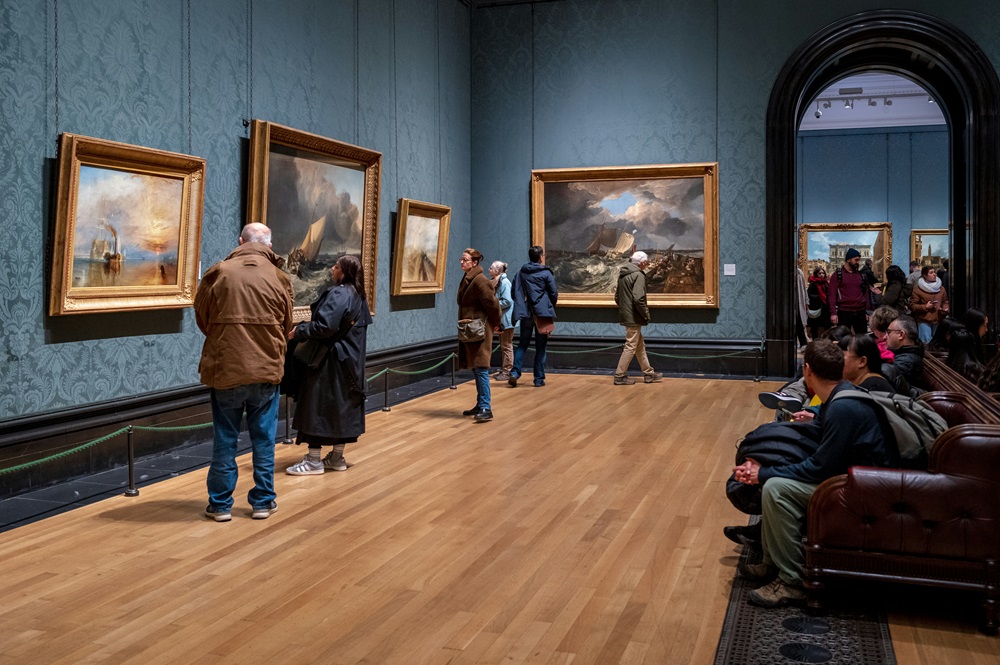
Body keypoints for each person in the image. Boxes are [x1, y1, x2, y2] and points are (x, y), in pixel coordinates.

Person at [733, 339, 898, 607]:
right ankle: (771, 561)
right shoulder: (841, 393)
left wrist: (762, 473)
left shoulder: (843, 407)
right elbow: (828, 437)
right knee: (776, 480)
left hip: (864, 492)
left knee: (776, 489)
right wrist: (814, 417)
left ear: (806, 369)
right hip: (857, 480)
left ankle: (792, 581)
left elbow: (818, 469)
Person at [195, 222, 294, 522]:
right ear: (269, 245)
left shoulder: (219, 272)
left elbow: (203, 318)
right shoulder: (279, 278)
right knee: (264, 440)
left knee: (225, 439)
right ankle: (263, 502)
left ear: (240, 241)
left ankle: (221, 504)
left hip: (226, 369)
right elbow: (288, 323)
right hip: (266, 370)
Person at [285, 255, 373, 476]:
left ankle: (313, 461)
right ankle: (336, 457)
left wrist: (299, 331)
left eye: (335, 267)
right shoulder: (359, 295)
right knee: (341, 409)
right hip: (350, 362)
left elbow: (325, 326)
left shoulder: (339, 293)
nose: (332, 270)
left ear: (343, 271)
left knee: (317, 407)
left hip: (329, 363)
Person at [458, 248, 502, 421]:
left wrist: (497, 323)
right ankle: (480, 404)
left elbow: (492, 304)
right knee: (477, 368)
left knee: (481, 367)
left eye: (465, 260)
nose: (462, 262)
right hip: (472, 330)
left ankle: (486, 407)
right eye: (461, 259)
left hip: (480, 329)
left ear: (474, 262)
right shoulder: (469, 278)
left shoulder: (480, 280)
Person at [509, 246, 558, 388]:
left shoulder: (521, 273)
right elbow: (553, 293)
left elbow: (514, 292)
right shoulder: (546, 273)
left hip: (526, 314)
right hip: (541, 314)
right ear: (541, 257)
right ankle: (538, 379)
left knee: (522, 345)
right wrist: (548, 306)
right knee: (541, 347)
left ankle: (515, 373)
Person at [613, 251, 663, 385]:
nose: (646, 265)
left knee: (639, 346)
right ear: (642, 263)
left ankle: (648, 373)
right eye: (646, 263)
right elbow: (638, 298)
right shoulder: (638, 275)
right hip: (634, 317)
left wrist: (625, 310)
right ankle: (619, 375)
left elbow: (617, 297)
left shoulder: (623, 274)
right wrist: (645, 314)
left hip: (627, 315)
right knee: (630, 346)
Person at [826, 247, 870, 334]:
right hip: (844, 312)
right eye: (856, 260)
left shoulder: (861, 275)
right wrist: (833, 313)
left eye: (859, 260)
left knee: (862, 339)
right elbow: (832, 295)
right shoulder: (837, 275)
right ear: (848, 260)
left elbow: (865, 294)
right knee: (843, 340)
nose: (858, 262)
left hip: (860, 312)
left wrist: (867, 311)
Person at [910, 265, 950, 343]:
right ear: (925, 275)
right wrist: (925, 307)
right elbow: (913, 305)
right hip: (924, 320)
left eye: (934, 272)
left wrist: (945, 308)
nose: (934, 274)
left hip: (938, 318)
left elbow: (945, 301)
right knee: (926, 343)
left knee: (937, 342)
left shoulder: (941, 288)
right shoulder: (918, 290)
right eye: (931, 273)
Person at [489, 261, 514, 382]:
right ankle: (505, 369)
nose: (489, 269)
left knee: (506, 345)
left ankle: (507, 371)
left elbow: (507, 301)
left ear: (497, 271)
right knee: (504, 345)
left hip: (506, 320)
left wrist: (493, 304)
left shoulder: (504, 283)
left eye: (491, 268)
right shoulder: (498, 281)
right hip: (502, 318)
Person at [885, 315, 926, 390]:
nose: (885, 337)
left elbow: (883, 377)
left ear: (901, 334)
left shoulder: (907, 362)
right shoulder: (904, 353)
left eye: (889, 332)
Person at [806, 267, 831, 340]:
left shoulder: (826, 283)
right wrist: (819, 297)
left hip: (825, 308)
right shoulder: (813, 283)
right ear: (816, 274)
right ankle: (815, 340)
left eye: (823, 273)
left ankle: (826, 340)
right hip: (816, 307)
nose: (821, 275)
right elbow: (810, 295)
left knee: (827, 325)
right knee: (815, 326)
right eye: (819, 273)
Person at [795, 267, 808, 347]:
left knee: (799, 322)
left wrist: (806, 301)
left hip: (798, 301)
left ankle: (803, 343)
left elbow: (803, 288)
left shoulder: (799, 272)